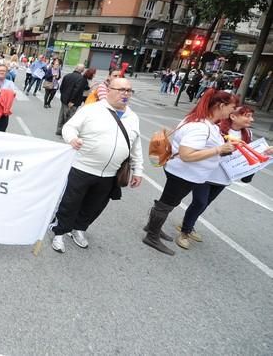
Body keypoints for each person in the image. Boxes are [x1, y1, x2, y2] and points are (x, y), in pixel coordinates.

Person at [51, 78, 143, 253]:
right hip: (82, 167)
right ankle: (60, 232)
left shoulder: (133, 117)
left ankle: (79, 229)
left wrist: (138, 171)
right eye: (121, 89)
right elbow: (69, 127)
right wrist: (72, 139)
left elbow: (136, 146)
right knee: (70, 202)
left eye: (129, 90)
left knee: (95, 205)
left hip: (110, 173)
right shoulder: (91, 110)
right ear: (108, 90)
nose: (125, 93)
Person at [142, 89, 237, 255]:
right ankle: (151, 236)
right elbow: (187, 155)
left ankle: (152, 227)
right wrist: (218, 149)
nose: (232, 111)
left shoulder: (202, 122)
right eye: (232, 107)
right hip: (183, 173)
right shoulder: (200, 127)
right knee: (166, 204)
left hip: (184, 172)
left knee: (169, 202)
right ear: (221, 105)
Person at [175, 106, 272, 249]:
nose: (251, 119)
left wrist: (266, 152)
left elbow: (249, 154)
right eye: (248, 115)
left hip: (224, 178)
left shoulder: (248, 134)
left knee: (205, 203)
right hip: (206, 174)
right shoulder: (217, 129)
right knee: (200, 202)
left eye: (252, 116)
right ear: (233, 116)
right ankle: (185, 232)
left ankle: (188, 223)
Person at [56, 64, 87, 136]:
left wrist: (64, 97)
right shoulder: (81, 79)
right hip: (73, 102)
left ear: (75, 68)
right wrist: (72, 101)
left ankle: (59, 130)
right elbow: (77, 90)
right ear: (82, 70)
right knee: (70, 117)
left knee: (62, 115)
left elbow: (61, 88)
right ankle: (65, 132)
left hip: (64, 99)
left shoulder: (67, 76)